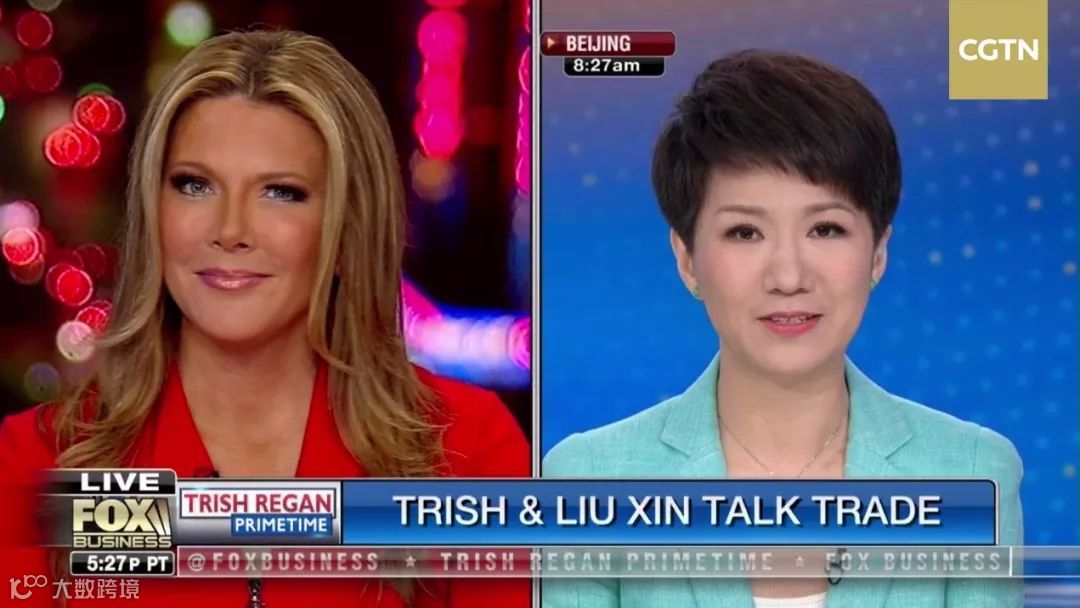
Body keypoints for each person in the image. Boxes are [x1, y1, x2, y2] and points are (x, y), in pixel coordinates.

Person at [0, 30, 530, 607]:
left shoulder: (466, 449)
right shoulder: (41, 460)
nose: (230, 230)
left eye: (281, 192)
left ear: (348, 228)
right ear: (153, 211)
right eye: (194, 185)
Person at [542, 50, 1022, 608]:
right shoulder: (588, 480)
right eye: (745, 233)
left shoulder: (972, 473)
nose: (789, 277)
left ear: (878, 253)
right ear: (687, 259)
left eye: (826, 229)